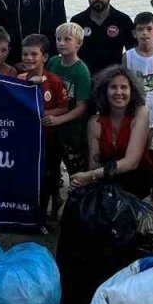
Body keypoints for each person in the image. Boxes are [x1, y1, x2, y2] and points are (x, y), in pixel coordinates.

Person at [70, 66, 153, 201]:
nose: (119, 92)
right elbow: (94, 164)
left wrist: (88, 176)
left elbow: (131, 162)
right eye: (113, 87)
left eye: (124, 87)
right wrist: (83, 181)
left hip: (137, 180)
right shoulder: (95, 122)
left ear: (132, 91)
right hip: (106, 179)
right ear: (104, 91)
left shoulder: (141, 113)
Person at [18, 34, 69, 219]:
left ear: (45, 57)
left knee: (51, 176)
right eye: (25, 54)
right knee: (30, 175)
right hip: (27, 140)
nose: (29, 58)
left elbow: (64, 107)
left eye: (34, 54)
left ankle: (52, 206)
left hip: (49, 140)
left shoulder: (55, 81)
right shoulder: (19, 80)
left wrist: (45, 114)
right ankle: (32, 210)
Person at [45, 22, 93, 209]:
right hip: (52, 128)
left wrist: (58, 119)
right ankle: (55, 199)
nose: (61, 43)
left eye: (67, 39)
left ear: (78, 43)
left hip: (73, 131)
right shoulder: (53, 63)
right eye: (58, 39)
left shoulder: (81, 71)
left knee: (75, 170)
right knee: (51, 169)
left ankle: (78, 206)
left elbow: (81, 107)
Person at [124, 12, 153, 201]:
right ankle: (132, 192)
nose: (145, 34)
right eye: (140, 30)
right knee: (132, 153)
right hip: (134, 116)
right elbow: (124, 86)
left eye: (149, 29)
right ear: (134, 33)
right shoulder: (128, 56)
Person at [72, 0, 135, 76]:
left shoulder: (123, 20)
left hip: (114, 80)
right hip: (86, 79)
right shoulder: (77, 21)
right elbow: (70, 54)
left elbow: (133, 54)